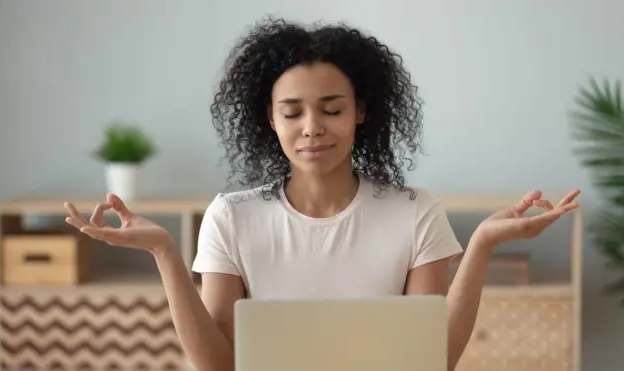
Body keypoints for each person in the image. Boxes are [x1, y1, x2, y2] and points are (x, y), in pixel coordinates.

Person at [63, 17, 580, 371]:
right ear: (270, 119)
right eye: (292, 112)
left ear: (361, 111)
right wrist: (165, 252)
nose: (312, 127)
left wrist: (484, 243)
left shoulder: (414, 212)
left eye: (332, 109)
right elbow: (219, 364)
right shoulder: (231, 216)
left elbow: (432, 360)